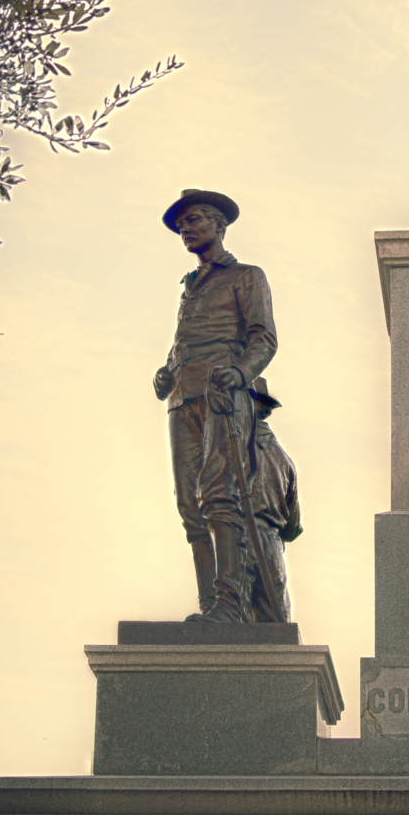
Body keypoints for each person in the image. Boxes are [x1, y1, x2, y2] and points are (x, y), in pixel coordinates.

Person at [153, 189, 276, 623]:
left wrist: (240, 372)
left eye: (194, 219)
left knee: (220, 493)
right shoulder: (188, 287)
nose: (185, 228)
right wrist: (165, 371)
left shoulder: (246, 275)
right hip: (181, 397)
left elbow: (264, 339)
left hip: (224, 394)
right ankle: (210, 605)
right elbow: (182, 341)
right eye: (181, 223)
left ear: (219, 226)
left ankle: (230, 604)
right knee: (189, 504)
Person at [244, 377, 302, 623]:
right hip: (272, 545)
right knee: (275, 622)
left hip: (238, 538)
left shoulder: (230, 446)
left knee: (235, 620)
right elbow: (292, 529)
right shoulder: (286, 461)